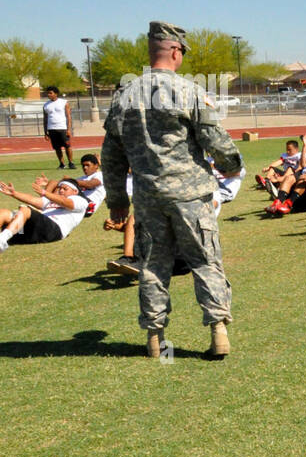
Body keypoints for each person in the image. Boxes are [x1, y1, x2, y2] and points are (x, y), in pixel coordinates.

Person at [101, 21, 244, 359]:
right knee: (205, 260)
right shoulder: (189, 90)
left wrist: (118, 201)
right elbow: (213, 138)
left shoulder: (125, 94)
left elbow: (111, 154)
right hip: (190, 195)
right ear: (176, 52)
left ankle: (155, 338)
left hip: (148, 197)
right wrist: (232, 164)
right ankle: (218, 332)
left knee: (153, 265)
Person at [0, 176, 88, 244]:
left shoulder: (80, 201)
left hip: (54, 230)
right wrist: (14, 193)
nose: (61, 190)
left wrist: (45, 192)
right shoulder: (52, 200)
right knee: (4, 213)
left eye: (65, 189)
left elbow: (65, 202)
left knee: (25, 209)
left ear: (75, 191)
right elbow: (32, 200)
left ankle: (2, 238)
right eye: (60, 188)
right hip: (37, 231)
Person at [42, 85, 75, 170]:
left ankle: (71, 162)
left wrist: (68, 129)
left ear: (56, 93)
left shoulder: (64, 102)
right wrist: (45, 132)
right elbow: (45, 119)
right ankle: (62, 164)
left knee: (67, 146)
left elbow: (68, 116)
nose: (48, 94)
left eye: (50, 93)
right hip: (51, 129)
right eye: (47, 93)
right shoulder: (46, 105)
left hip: (62, 128)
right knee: (57, 148)